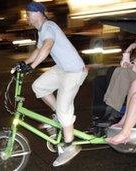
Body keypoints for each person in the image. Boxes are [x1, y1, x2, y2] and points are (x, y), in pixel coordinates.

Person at [23, 2, 88, 166]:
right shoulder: (41, 31)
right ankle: (59, 118)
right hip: (63, 68)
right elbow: (38, 50)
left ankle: (69, 145)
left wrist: (32, 66)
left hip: (74, 71)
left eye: (29, 13)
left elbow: (47, 46)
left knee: (63, 107)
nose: (27, 17)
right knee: (39, 86)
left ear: (38, 13)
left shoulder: (48, 26)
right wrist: (22, 64)